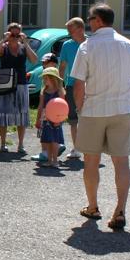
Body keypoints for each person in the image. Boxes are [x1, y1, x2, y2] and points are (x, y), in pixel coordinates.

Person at [71, 3, 130, 230]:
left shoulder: (87, 47)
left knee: (91, 161)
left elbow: (79, 84)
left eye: (90, 18)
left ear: (98, 21)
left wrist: (80, 108)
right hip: (122, 110)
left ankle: (93, 206)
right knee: (121, 162)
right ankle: (120, 209)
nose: (89, 22)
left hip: (94, 109)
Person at [0, 22, 37, 153]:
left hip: (20, 83)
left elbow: (34, 60)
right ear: (8, 33)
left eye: (17, 34)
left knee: (22, 114)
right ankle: (3, 144)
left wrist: (26, 43)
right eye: (12, 34)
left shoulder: (23, 47)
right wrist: (3, 39)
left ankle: (20, 145)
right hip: (5, 84)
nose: (15, 36)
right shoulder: (3, 47)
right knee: (3, 113)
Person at [58, 17, 86, 160]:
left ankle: (91, 148)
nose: (69, 34)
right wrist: (60, 86)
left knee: (89, 118)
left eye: (71, 31)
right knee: (73, 119)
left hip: (90, 86)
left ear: (81, 29)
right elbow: (62, 67)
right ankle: (76, 148)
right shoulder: (67, 45)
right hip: (71, 85)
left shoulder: (91, 44)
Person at [35, 67, 66, 168]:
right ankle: (49, 160)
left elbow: (63, 106)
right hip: (46, 118)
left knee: (55, 140)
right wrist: (38, 119)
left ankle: (55, 160)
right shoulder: (44, 91)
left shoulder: (60, 91)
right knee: (47, 139)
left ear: (53, 78)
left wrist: (60, 119)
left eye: (46, 78)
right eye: (44, 78)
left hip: (56, 118)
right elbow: (40, 105)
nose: (44, 80)